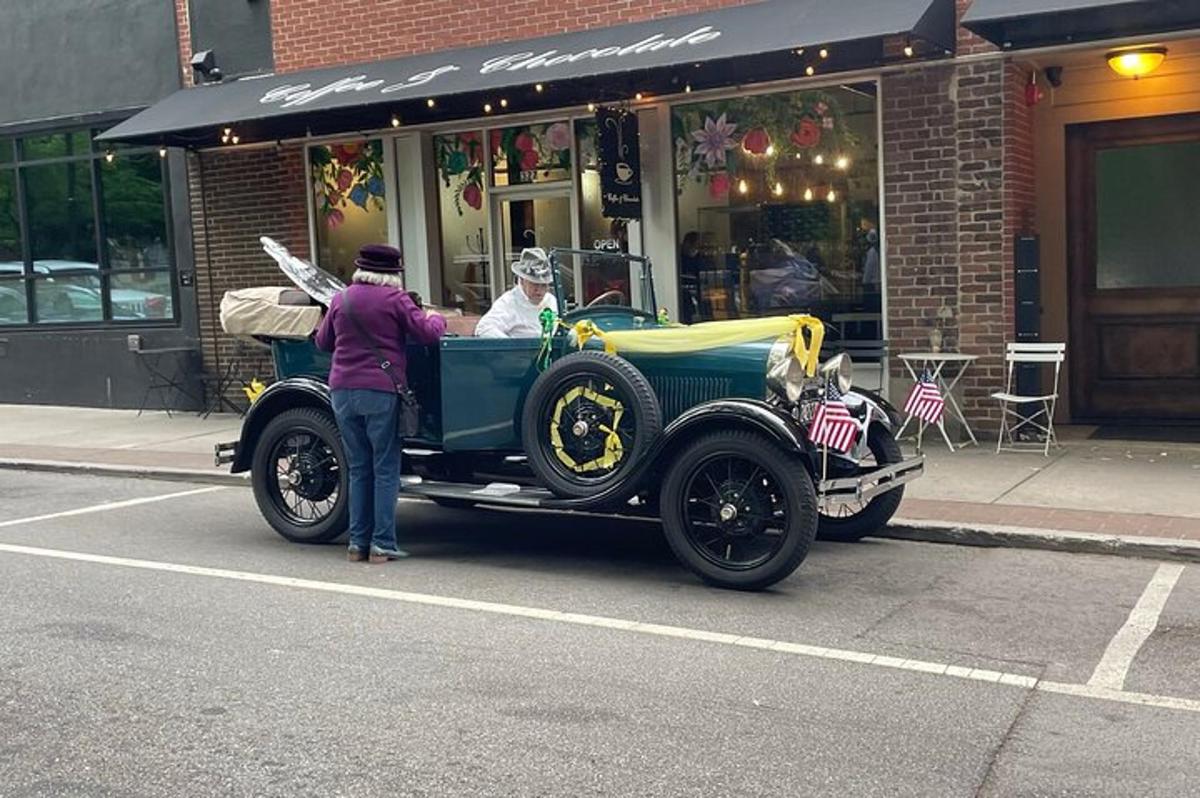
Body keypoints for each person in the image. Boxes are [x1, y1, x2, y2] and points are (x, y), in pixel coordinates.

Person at [315, 244, 446, 564]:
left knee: (358, 468)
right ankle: (383, 543)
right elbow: (426, 333)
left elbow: (322, 342)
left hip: (341, 390)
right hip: (379, 391)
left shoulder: (341, 298)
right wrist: (438, 319)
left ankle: (357, 544)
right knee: (385, 468)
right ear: (392, 274)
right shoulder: (395, 299)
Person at [475, 247, 558, 338]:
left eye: (544, 285)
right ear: (522, 280)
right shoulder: (509, 302)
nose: (540, 290)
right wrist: (511, 347)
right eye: (534, 284)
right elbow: (484, 328)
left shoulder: (551, 301)